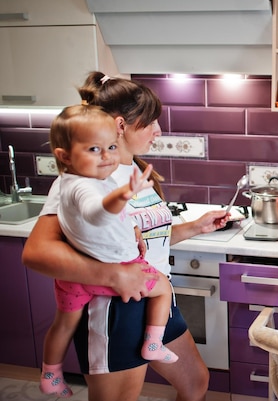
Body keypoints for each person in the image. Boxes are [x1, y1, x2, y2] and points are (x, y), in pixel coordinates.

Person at [22, 72, 228, 401]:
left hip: (155, 294)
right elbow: (36, 253)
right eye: (149, 122)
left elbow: (137, 241)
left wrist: (195, 227)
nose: (158, 131)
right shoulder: (85, 176)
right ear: (121, 125)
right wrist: (114, 275)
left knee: (194, 382)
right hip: (113, 307)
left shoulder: (135, 171)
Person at [39, 105, 177, 397]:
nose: (107, 156)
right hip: (112, 280)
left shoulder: (93, 179)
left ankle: (50, 372)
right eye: (94, 149)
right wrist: (123, 195)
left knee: (64, 324)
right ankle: (154, 343)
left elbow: (104, 224)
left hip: (84, 277)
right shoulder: (83, 185)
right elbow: (96, 214)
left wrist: (132, 229)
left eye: (111, 147)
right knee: (162, 287)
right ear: (64, 156)